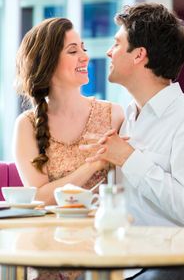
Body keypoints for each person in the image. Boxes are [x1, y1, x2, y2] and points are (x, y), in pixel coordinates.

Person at [80, 3, 184, 280]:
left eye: (117, 43)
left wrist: (130, 159)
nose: (109, 52)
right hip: (134, 264)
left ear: (139, 55)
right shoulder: (131, 116)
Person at [13, 17, 124, 280]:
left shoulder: (114, 115)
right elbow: (40, 197)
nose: (84, 57)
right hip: (45, 253)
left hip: (103, 251)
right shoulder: (27, 125)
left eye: (83, 48)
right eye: (73, 51)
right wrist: (94, 165)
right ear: (47, 62)